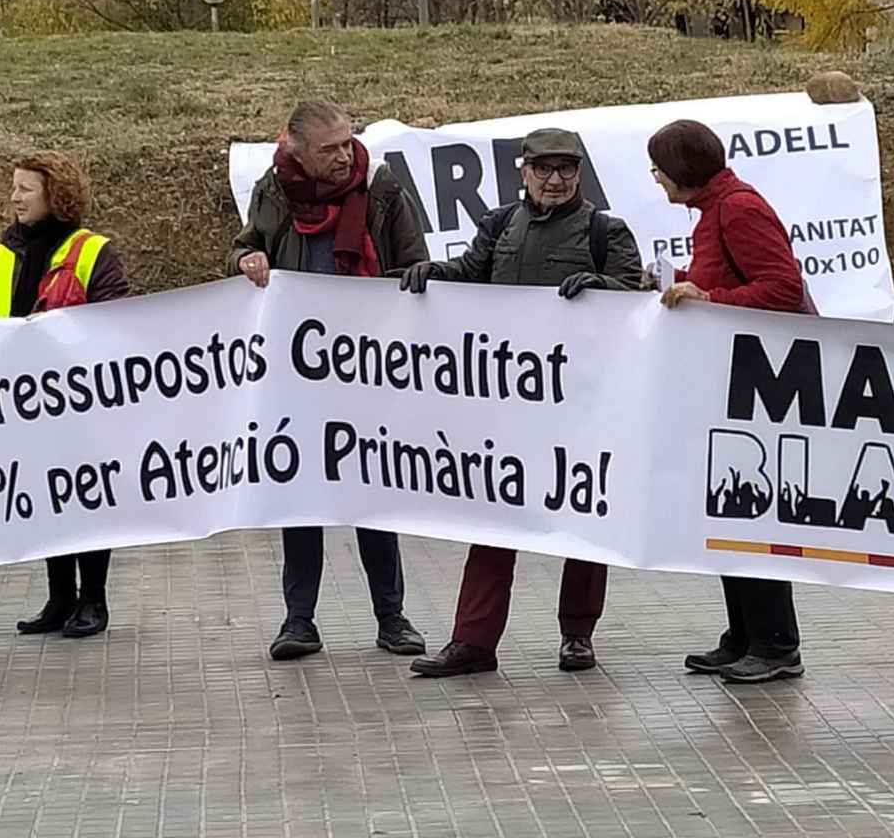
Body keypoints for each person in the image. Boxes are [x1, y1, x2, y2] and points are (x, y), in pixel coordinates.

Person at [400, 127, 643, 677]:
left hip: (582, 401)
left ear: (580, 173)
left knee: (584, 520)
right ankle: (473, 641)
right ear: (524, 171)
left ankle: (578, 635)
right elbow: (471, 273)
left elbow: (635, 299)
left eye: (566, 170)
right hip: (507, 403)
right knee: (492, 521)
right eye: (544, 169)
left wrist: (602, 285)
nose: (555, 180)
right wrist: (433, 272)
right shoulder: (499, 223)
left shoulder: (607, 231)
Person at [230, 100, 430, 662]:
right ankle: (299, 621)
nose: (345, 156)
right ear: (296, 151)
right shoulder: (274, 192)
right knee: (300, 498)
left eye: (348, 143)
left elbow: (416, 268)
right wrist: (246, 259)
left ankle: (392, 618)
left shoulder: (382, 191)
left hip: (368, 372)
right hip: (298, 375)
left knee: (372, 497)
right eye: (330, 149)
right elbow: (247, 246)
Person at [650, 119, 810, 683]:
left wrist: (709, 296)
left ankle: (775, 643)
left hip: (759, 390)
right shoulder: (713, 211)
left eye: (660, 170)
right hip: (727, 383)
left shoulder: (738, 209)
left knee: (749, 509)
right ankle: (743, 633)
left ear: (683, 172)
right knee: (728, 509)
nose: (656, 180)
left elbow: (782, 287)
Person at [0, 152, 131, 638]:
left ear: (55, 195)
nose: (14, 197)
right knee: (47, 501)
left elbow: (116, 319)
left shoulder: (93, 252)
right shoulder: (6, 253)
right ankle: (59, 598)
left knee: (87, 501)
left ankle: (93, 600)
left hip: (81, 402)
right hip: (26, 402)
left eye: (25, 188)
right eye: (14, 187)